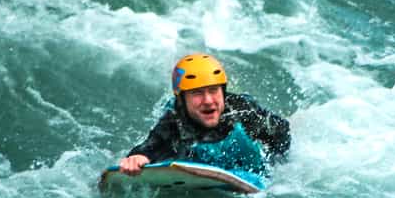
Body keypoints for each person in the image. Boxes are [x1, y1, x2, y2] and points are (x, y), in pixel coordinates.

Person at [118, 53, 290, 177]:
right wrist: (138, 157)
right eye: (197, 93)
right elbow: (152, 144)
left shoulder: (242, 112)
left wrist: (275, 165)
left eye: (214, 90)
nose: (208, 100)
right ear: (182, 100)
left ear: (223, 92)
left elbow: (281, 131)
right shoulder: (175, 120)